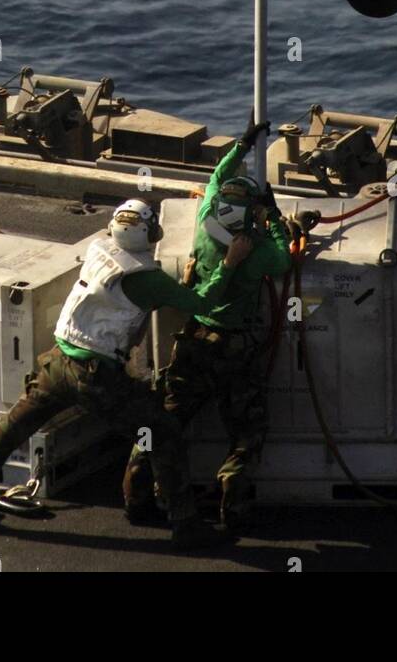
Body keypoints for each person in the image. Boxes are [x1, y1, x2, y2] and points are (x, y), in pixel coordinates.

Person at [0, 197, 251, 547]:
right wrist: (230, 263)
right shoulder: (148, 279)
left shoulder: (98, 248)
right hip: (96, 377)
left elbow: (125, 296)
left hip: (56, 361)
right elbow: (203, 303)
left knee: (12, 428)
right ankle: (184, 523)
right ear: (151, 232)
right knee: (162, 430)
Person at [124, 118, 291, 533]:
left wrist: (242, 145)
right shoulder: (256, 252)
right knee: (247, 430)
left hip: (193, 342)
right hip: (235, 348)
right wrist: (271, 215)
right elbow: (285, 256)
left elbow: (216, 176)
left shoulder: (204, 223)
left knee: (164, 422)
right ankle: (232, 496)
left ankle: (136, 495)